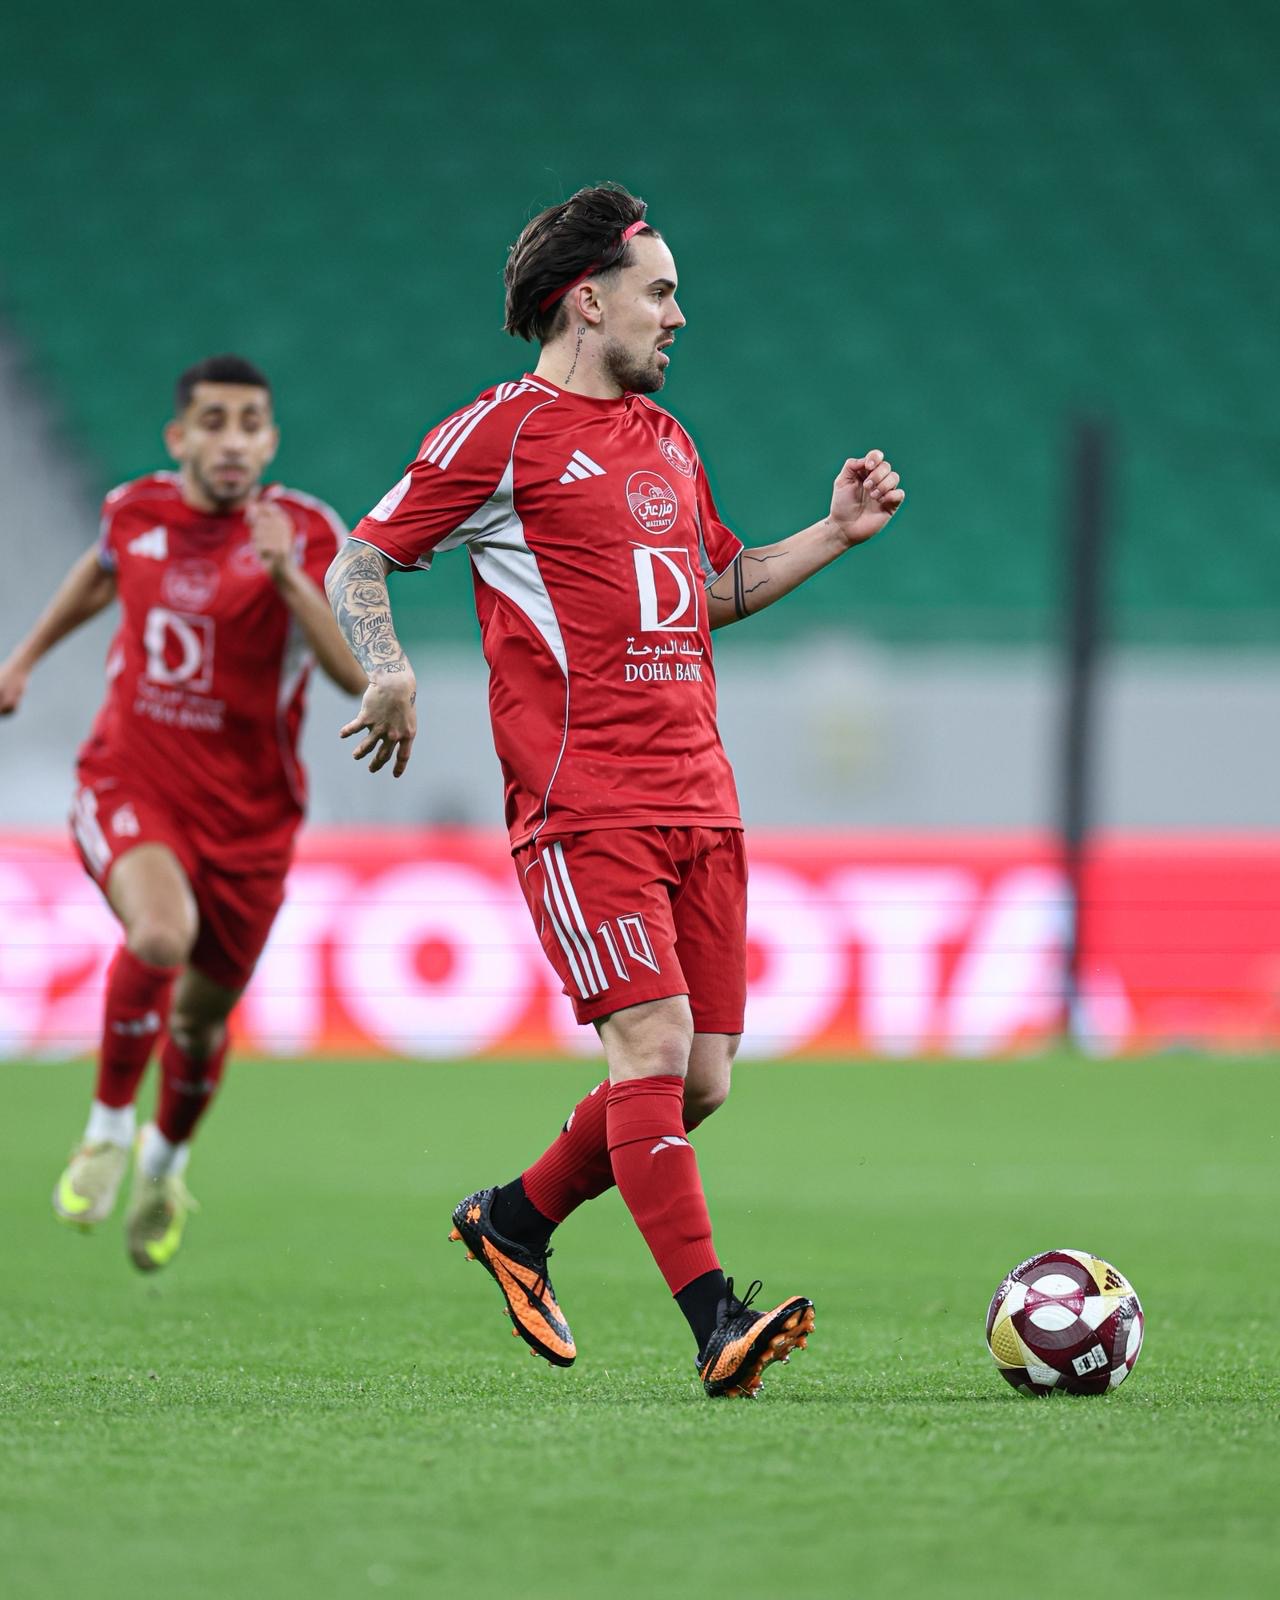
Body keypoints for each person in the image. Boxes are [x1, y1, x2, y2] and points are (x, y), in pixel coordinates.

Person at [325, 184, 905, 1397]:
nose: (677, 315)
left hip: (701, 795)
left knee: (698, 1080)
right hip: (581, 800)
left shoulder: (668, 441)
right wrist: (386, 669)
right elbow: (361, 556)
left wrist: (833, 533)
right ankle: (713, 1322)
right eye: (659, 292)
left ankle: (512, 1220)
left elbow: (713, 589)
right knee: (648, 1042)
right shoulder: (500, 430)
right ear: (586, 301)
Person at [0, 354, 366, 1271]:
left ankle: (163, 1168)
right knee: (161, 935)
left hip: (252, 821)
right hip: (135, 779)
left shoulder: (305, 532)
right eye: (213, 422)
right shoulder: (136, 510)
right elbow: (101, 572)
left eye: (250, 423)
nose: (232, 440)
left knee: (200, 1024)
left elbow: (351, 674)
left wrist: (286, 578)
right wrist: (24, 657)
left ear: (270, 441)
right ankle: (106, 1130)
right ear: (180, 437)